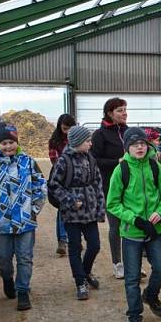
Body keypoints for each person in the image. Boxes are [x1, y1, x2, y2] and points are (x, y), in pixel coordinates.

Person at [106, 127, 161, 322]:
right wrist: (134, 219)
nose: (140, 147)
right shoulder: (122, 170)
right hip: (131, 233)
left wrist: (160, 213)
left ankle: (151, 296)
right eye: (135, 144)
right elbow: (112, 203)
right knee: (132, 278)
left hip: (153, 230)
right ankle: (135, 316)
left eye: (143, 143)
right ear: (127, 147)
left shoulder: (155, 166)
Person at [0, 122, 47, 311]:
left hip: (25, 222)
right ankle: (7, 278)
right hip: (2, 224)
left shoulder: (29, 163)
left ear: (17, 142)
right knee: (3, 258)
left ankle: (23, 291)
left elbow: (40, 187)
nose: (8, 146)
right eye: (4, 143)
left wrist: (33, 209)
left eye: (11, 142)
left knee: (25, 257)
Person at [47, 126, 105, 301]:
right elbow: (53, 185)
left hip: (90, 213)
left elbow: (97, 184)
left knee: (94, 245)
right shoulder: (64, 161)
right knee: (75, 247)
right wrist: (71, 200)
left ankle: (85, 271)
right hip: (72, 214)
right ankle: (80, 282)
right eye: (87, 141)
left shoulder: (90, 159)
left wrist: (100, 208)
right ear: (78, 142)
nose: (90, 143)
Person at [91, 97, 128, 279]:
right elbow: (94, 160)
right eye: (120, 110)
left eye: (125, 109)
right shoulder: (100, 135)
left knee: (130, 224)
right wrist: (117, 162)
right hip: (110, 187)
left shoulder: (128, 132)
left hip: (131, 187)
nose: (124, 113)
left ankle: (131, 262)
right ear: (109, 113)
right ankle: (117, 263)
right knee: (116, 225)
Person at [49, 113, 76, 256]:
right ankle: (63, 240)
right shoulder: (54, 141)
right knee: (63, 208)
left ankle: (75, 239)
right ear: (60, 127)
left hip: (77, 178)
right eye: (65, 129)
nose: (67, 132)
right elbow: (54, 160)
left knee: (77, 207)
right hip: (61, 178)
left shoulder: (77, 139)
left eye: (70, 129)